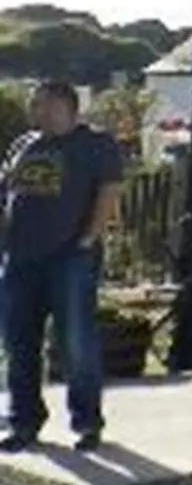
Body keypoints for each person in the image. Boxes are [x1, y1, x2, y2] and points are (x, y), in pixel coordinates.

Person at [0, 81, 125, 452]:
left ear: (68, 108)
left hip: (69, 259)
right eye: (34, 105)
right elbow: (9, 193)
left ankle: (87, 423)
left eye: (44, 105)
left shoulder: (95, 145)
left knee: (75, 343)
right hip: (20, 260)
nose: (37, 112)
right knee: (19, 343)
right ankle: (23, 422)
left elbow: (109, 191)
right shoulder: (24, 145)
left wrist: (88, 239)